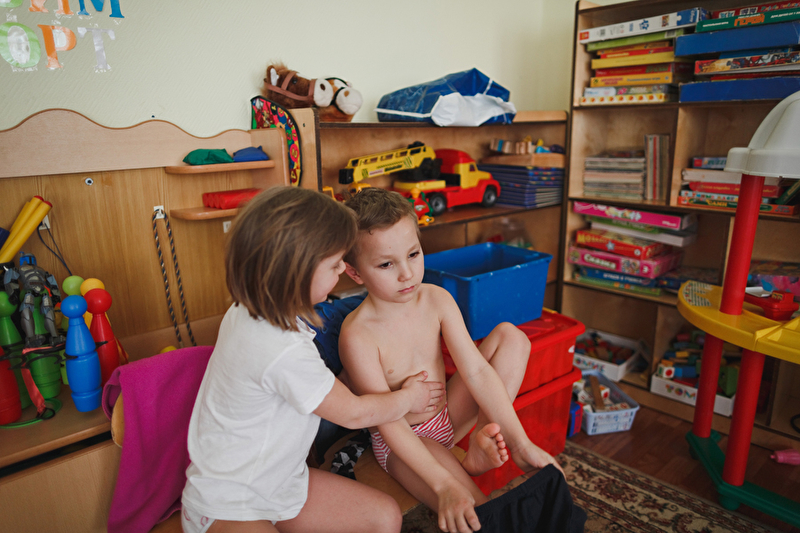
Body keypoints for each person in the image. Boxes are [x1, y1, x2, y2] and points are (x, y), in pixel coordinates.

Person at [181, 187, 445, 533]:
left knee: (384, 517)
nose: (341, 271)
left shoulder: (248, 309)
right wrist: (409, 397)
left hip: (282, 482)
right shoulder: (279, 348)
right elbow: (354, 413)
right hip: (229, 502)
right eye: (334, 265)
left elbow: (310, 388)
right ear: (299, 271)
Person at [339, 187, 564, 533]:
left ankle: (479, 443)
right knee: (478, 511)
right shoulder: (358, 335)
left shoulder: (437, 299)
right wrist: (444, 485)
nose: (407, 273)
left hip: (446, 417)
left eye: (413, 254)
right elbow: (387, 422)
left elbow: (476, 371)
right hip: (402, 443)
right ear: (355, 273)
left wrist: (520, 443)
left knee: (511, 337)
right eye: (386, 264)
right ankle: (461, 475)